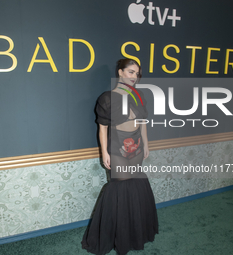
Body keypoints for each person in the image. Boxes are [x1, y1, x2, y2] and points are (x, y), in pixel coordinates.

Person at [81, 58, 158, 255]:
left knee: (136, 185)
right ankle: (117, 237)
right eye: (131, 72)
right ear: (121, 72)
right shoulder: (107, 98)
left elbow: (142, 123)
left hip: (137, 146)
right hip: (117, 147)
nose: (135, 77)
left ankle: (135, 233)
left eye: (137, 73)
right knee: (119, 188)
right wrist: (104, 152)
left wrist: (146, 144)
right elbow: (102, 129)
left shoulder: (140, 96)